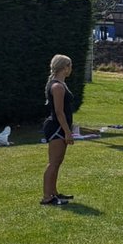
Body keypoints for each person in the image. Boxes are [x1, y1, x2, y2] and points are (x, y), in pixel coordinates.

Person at [41, 54, 76, 206]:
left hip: (59, 127)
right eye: (70, 65)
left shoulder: (60, 84)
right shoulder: (57, 86)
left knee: (57, 162)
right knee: (53, 163)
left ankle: (54, 192)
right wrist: (67, 131)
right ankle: (47, 197)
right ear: (64, 67)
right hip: (56, 128)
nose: (71, 69)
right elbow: (59, 112)